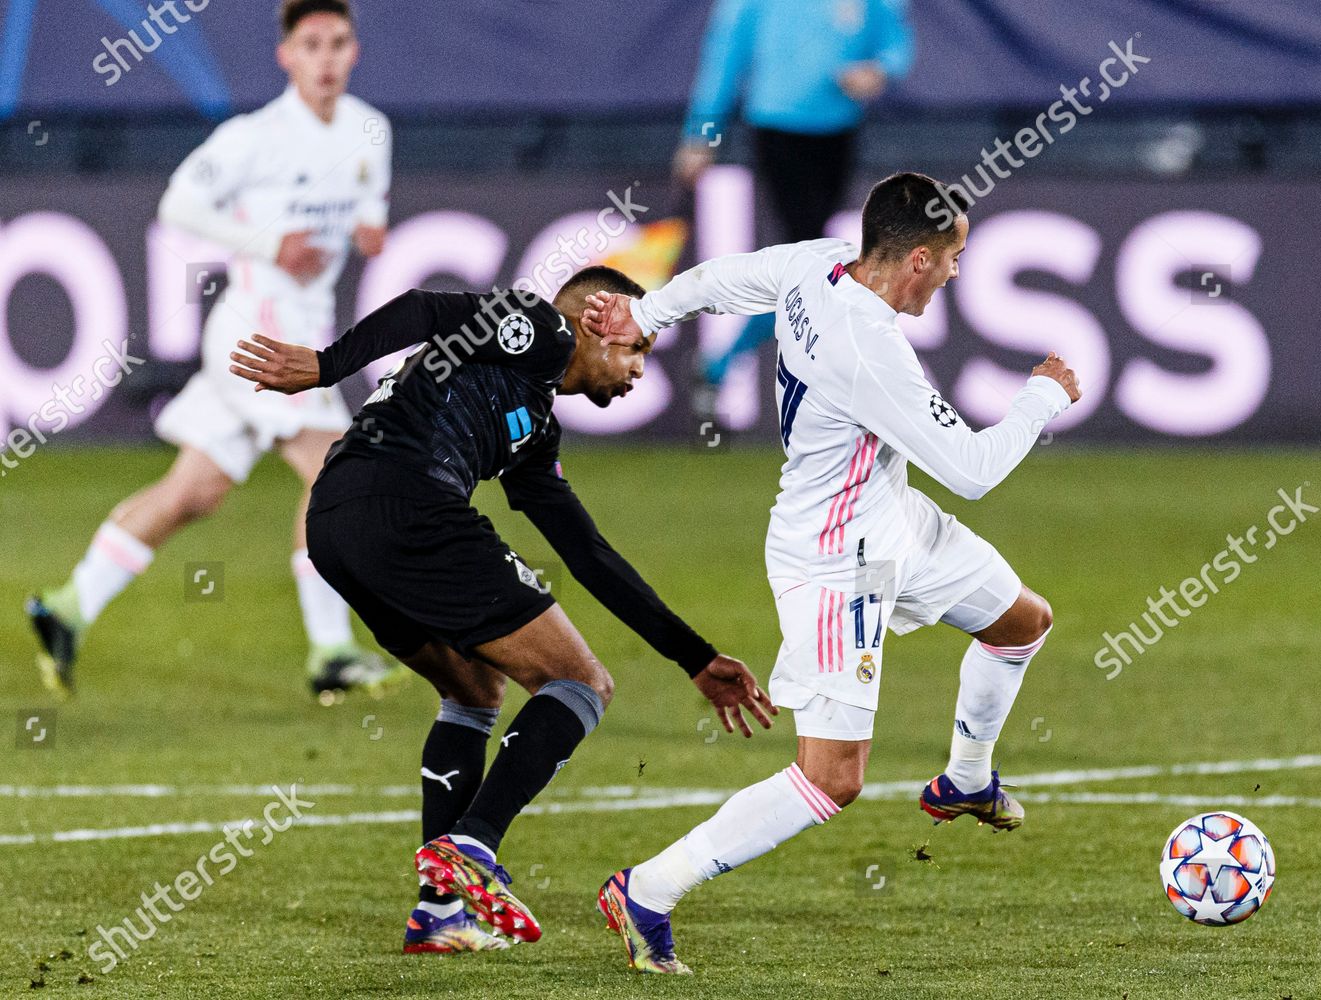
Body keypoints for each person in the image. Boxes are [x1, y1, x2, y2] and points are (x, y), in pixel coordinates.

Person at [582, 173, 1081, 974]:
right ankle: (648, 889)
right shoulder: (870, 351)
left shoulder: (821, 263)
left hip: (893, 519)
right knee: (832, 780)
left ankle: (965, 779)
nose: (956, 273)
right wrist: (1042, 398)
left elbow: (715, 281)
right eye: (952, 258)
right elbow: (976, 471)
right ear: (916, 260)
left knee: (1022, 621)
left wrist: (641, 312)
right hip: (835, 559)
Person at [230, 265, 778, 953]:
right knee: (581, 682)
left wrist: (693, 655)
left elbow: (589, 555)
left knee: (474, 689)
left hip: (335, 524)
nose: (640, 369)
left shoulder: (534, 430)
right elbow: (428, 306)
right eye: (636, 347)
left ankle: (437, 912)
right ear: (593, 320)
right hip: (409, 503)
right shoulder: (540, 329)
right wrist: (327, 365)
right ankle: (473, 843)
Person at [26, 0, 396, 700]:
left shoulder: (371, 131)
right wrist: (268, 243)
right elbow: (178, 206)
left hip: (302, 330)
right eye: (311, 44)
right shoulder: (253, 137)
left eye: (338, 43)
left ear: (354, 52)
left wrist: (368, 233)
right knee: (340, 471)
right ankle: (331, 652)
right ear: (286, 56)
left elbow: (368, 210)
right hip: (258, 329)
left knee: (193, 492)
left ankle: (68, 607)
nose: (325, 58)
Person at [674, 0, 914, 420]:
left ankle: (720, 365)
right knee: (809, 264)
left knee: (809, 266)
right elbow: (724, 59)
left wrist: (879, 70)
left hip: (838, 130)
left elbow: (896, 43)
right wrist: (701, 135)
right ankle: (727, 365)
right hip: (778, 127)